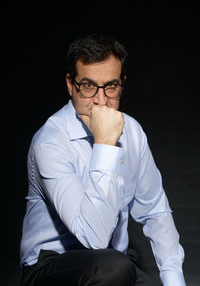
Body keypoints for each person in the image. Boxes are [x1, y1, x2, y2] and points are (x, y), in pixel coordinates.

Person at [20, 34, 186, 286]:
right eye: (88, 86)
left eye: (110, 86)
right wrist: (105, 144)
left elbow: (155, 212)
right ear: (70, 84)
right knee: (112, 266)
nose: (100, 99)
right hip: (49, 267)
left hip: (115, 264)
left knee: (130, 273)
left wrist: (174, 281)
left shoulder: (132, 131)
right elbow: (94, 239)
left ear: (122, 84)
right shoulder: (51, 141)